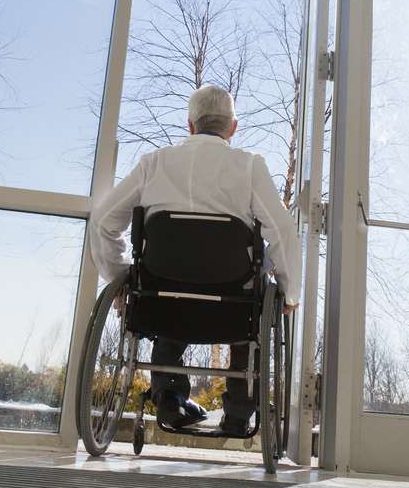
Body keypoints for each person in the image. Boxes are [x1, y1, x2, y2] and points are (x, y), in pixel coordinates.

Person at [88, 84, 301, 435]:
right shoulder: (249, 167)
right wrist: (290, 293)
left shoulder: (153, 164)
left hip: (162, 301)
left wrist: (119, 276)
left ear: (190, 125)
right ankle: (238, 413)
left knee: (172, 281)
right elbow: (282, 231)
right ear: (233, 128)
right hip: (233, 307)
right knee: (253, 292)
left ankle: (169, 398)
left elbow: (103, 221)